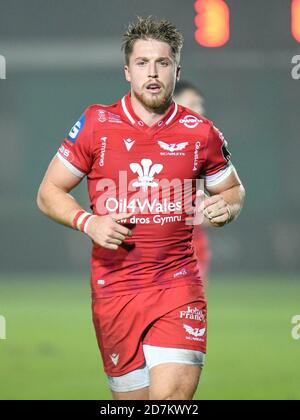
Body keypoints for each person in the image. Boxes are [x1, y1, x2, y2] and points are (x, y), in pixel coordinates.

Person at [37, 16, 245, 400]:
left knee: (169, 403)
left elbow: (232, 189)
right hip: (114, 292)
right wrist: (89, 222)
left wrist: (226, 208)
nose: (153, 73)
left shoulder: (201, 132)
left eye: (162, 63)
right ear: (127, 71)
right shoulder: (96, 124)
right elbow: (49, 192)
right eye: (143, 63)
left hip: (177, 284)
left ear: (176, 71)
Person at [174, 82, 210, 284]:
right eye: (193, 104)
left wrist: (220, 210)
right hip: (151, 246)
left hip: (191, 243)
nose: (200, 110)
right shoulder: (144, 142)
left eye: (201, 105)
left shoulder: (204, 147)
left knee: (189, 311)